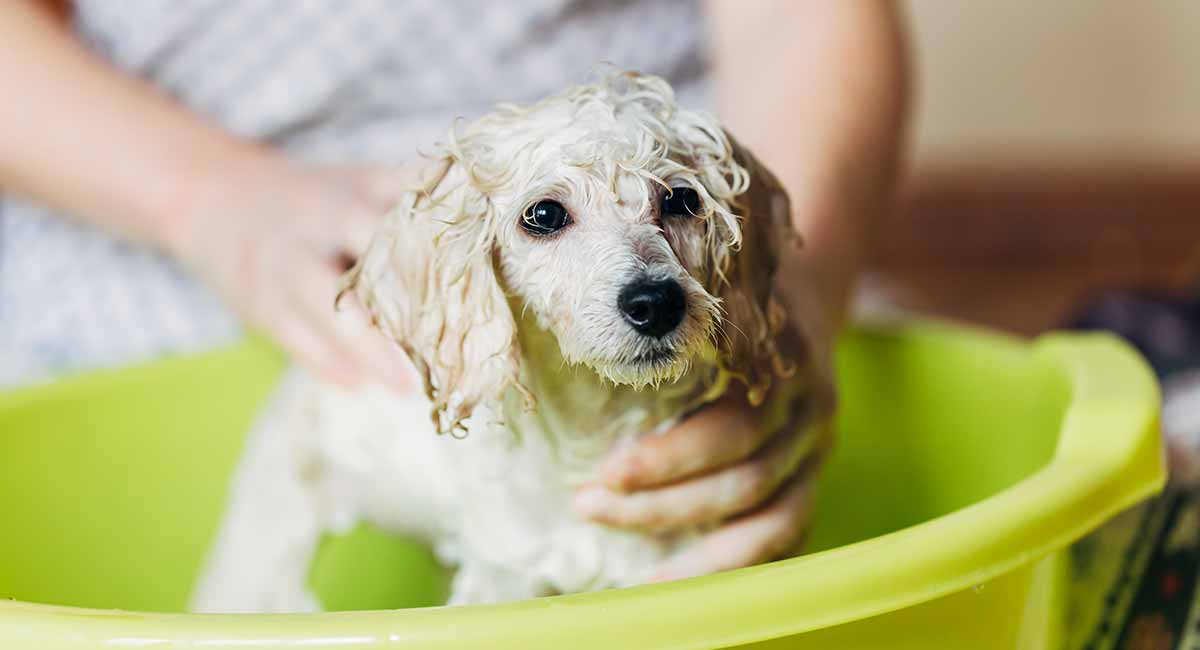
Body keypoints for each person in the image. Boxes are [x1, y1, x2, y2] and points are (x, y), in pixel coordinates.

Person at [0, 1, 908, 582]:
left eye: (672, 204)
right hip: (134, 198)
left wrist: (797, 287)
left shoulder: (714, 231)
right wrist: (199, 195)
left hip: (723, 182)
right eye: (546, 218)